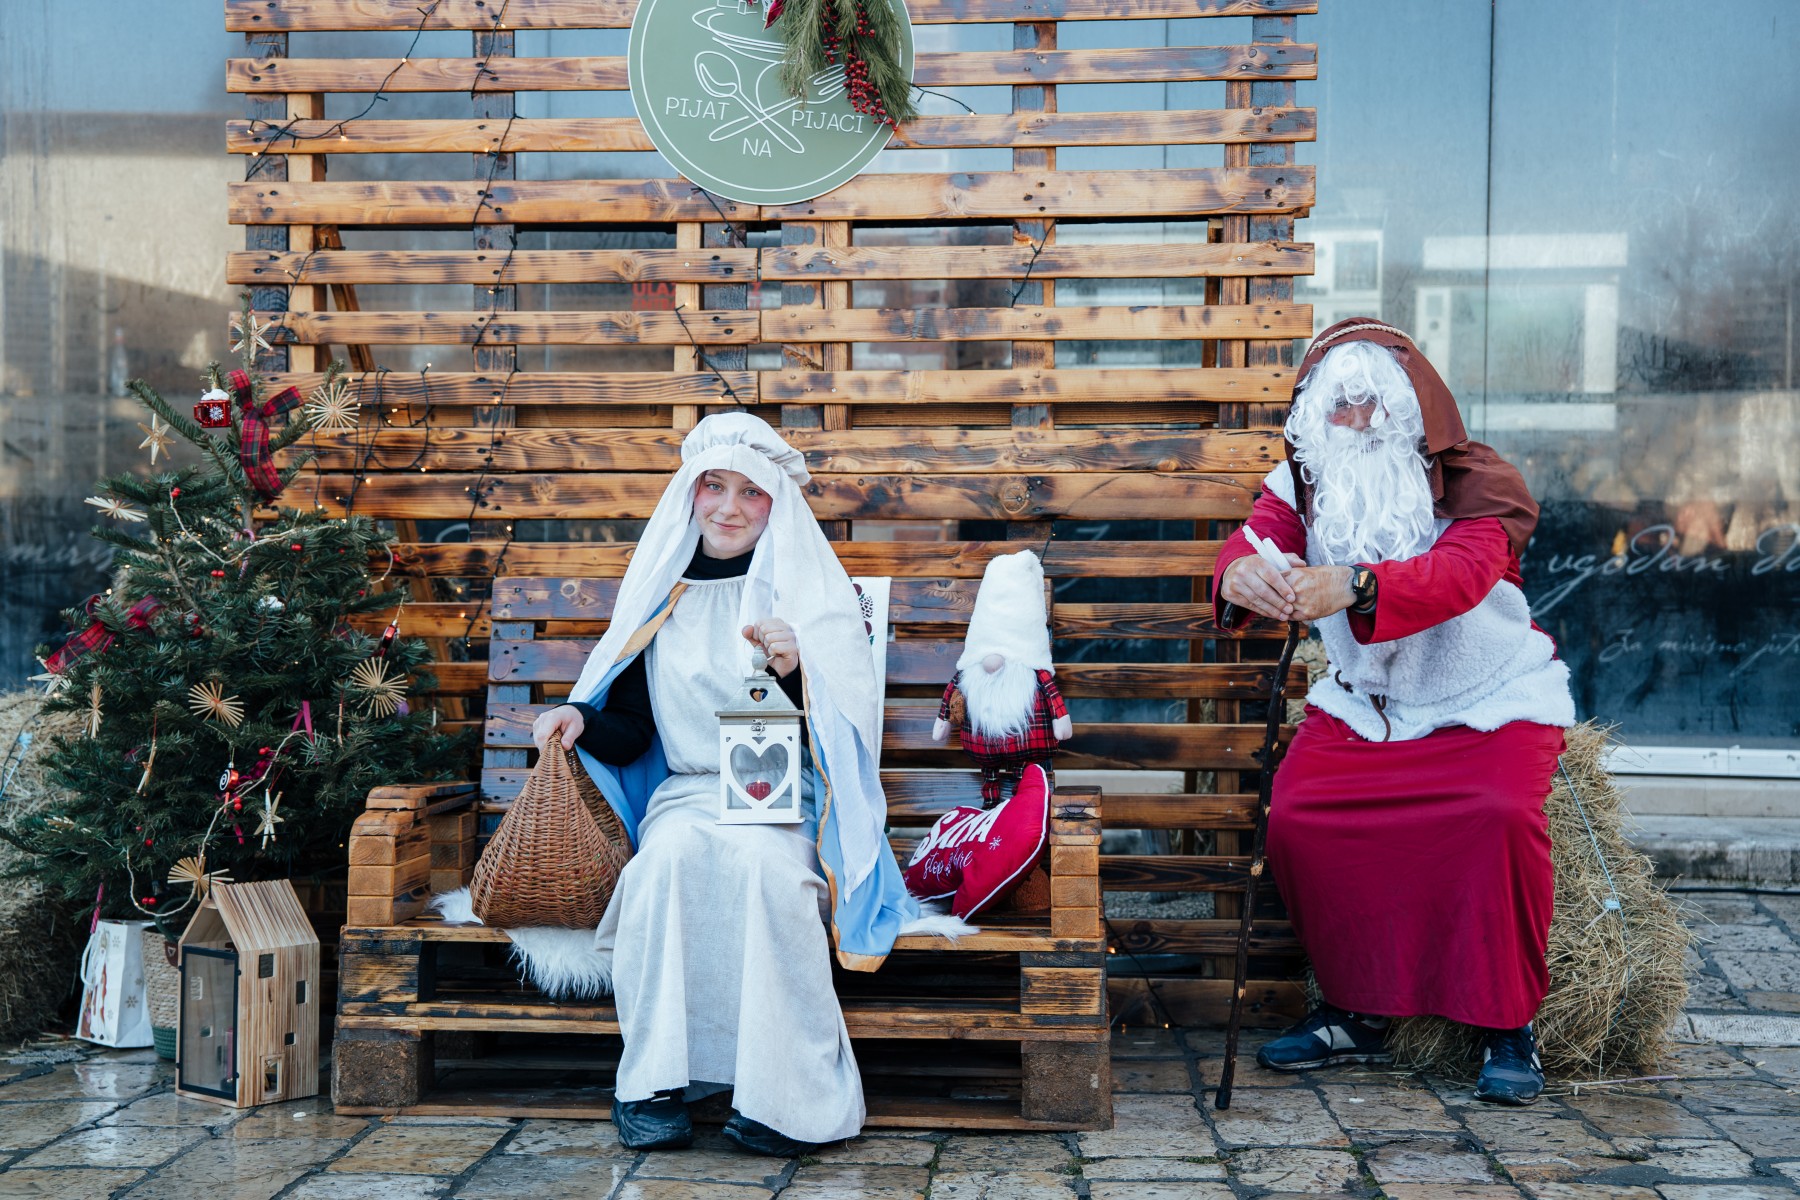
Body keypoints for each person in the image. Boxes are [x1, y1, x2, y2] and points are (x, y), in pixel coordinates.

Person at [530, 414, 955, 1155]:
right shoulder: (662, 596)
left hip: (786, 801)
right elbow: (632, 728)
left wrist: (795, 671)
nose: (729, 507)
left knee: (766, 873)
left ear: (776, 502)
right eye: (714, 486)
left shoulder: (810, 596)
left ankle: (785, 1098)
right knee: (664, 867)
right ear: (689, 493)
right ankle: (653, 1083)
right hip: (691, 794)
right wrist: (580, 718)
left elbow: (840, 739)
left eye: (751, 492)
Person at [1214, 319, 1575, 1105]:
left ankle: (1508, 1026)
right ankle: (1359, 1009)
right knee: (1298, 817)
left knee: (1499, 815)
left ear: (1410, 406)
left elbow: (1461, 575)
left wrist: (1356, 585)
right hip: (1367, 706)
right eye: (1337, 406)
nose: (1355, 421)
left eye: (1370, 403)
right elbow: (1253, 541)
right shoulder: (1305, 479)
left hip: (1486, 698)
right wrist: (1241, 575)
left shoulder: (1480, 483)